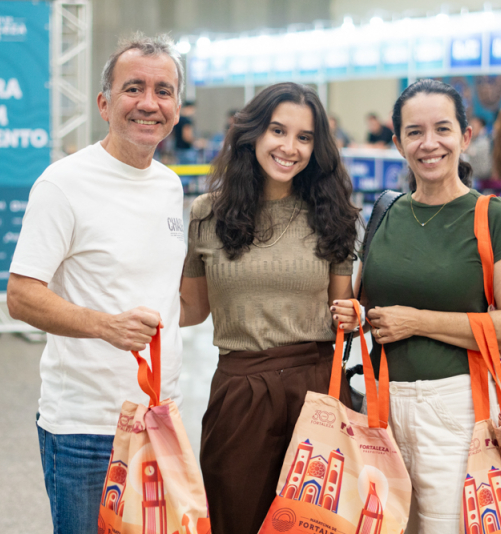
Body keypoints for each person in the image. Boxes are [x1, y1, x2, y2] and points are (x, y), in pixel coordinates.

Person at [332, 79, 501, 534]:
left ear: (465, 136)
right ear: (398, 142)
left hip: (455, 408)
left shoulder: (492, 216)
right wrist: (355, 313)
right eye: (414, 132)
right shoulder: (384, 212)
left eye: (442, 129)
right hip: (379, 406)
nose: (429, 144)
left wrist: (418, 322)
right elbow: (371, 303)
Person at [6, 34, 186, 534]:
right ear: (105, 104)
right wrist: (104, 326)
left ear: (176, 108)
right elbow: (21, 295)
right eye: (134, 88)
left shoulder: (170, 186)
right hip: (86, 427)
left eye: (164, 91)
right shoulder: (63, 184)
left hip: (157, 419)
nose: (149, 103)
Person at [179, 82, 361, 534]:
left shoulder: (332, 215)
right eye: (278, 131)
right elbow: (191, 309)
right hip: (240, 392)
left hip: (317, 389)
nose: (290, 147)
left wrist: (357, 314)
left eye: (304, 137)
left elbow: (343, 309)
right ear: (253, 134)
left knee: (318, 524)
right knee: (234, 517)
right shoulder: (208, 214)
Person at [462, 116, 492, 187]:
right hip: (476, 179)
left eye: (473, 126)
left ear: (482, 127)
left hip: (484, 181)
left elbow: (471, 151)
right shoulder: (476, 141)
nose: (471, 130)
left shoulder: (485, 141)